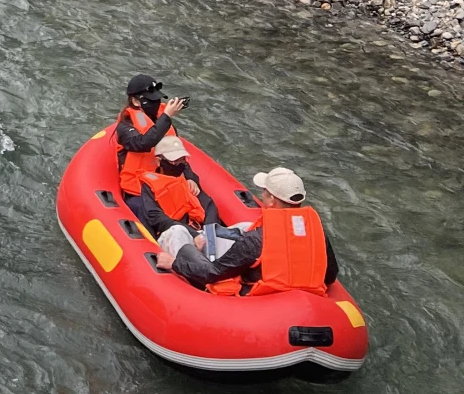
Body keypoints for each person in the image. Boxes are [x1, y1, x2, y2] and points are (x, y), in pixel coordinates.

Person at [157, 166, 339, 296]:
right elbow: (329, 276)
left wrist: (174, 263)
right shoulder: (318, 233)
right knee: (243, 226)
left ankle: (173, 247)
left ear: (271, 201)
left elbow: (213, 273)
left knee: (179, 238)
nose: (261, 195)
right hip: (287, 292)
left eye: (265, 192)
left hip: (254, 298)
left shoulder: (256, 240)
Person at [116, 74, 188, 224]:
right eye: (151, 100)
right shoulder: (125, 125)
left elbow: (178, 154)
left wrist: (191, 179)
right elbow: (143, 143)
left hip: (165, 181)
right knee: (150, 214)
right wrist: (167, 117)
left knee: (196, 201)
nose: (156, 104)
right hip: (138, 188)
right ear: (135, 100)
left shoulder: (162, 121)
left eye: (157, 100)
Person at [137, 135, 220, 239]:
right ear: (159, 161)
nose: (179, 164)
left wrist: (209, 233)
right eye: (175, 161)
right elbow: (156, 218)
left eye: (182, 160)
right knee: (178, 231)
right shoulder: (149, 187)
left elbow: (209, 205)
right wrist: (194, 235)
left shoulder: (186, 181)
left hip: (199, 231)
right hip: (174, 235)